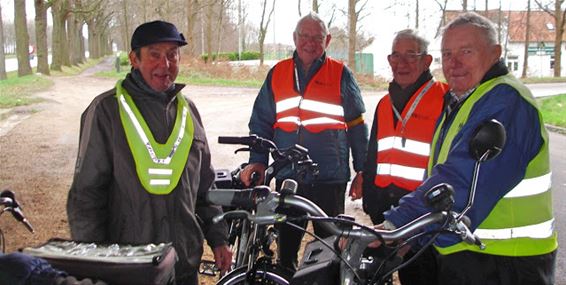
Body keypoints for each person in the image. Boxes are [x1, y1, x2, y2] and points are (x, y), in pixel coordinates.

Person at [378, 12, 557, 284]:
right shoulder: (464, 99)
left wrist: (398, 224)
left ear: (495, 53)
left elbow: (461, 178)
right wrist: (413, 234)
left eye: (466, 51)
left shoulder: (506, 101)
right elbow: (440, 177)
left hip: (506, 262)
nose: (454, 63)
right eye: (447, 54)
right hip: (472, 252)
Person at [66, 20, 232, 284]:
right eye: (154, 55)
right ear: (134, 58)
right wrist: (94, 264)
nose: (164, 65)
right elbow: (86, 196)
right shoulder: (106, 112)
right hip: (130, 269)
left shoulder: (189, 112)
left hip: (184, 265)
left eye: (172, 55)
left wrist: (219, 238)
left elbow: (205, 188)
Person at [239, 12, 368, 271]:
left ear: (327, 40)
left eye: (317, 38)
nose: (310, 43)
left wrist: (363, 169)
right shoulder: (278, 73)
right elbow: (261, 123)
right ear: (295, 38)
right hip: (289, 176)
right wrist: (258, 162)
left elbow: (357, 126)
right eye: (305, 36)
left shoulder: (341, 74)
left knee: (329, 251)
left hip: (330, 178)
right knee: (286, 250)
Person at [349, 29, 448, 284]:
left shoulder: (445, 99)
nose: (401, 63)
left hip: (422, 217)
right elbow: (374, 155)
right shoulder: (384, 103)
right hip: (385, 211)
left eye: (410, 56)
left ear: (426, 61)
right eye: (396, 56)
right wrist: (369, 193)